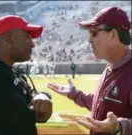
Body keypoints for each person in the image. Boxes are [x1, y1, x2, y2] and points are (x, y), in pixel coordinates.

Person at [48, 7, 132, 135]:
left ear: (113, 36)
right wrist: (76, 95)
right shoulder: (111, 67)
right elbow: (104, 102)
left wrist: (119, 127)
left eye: (94, 33)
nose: (89, 40)